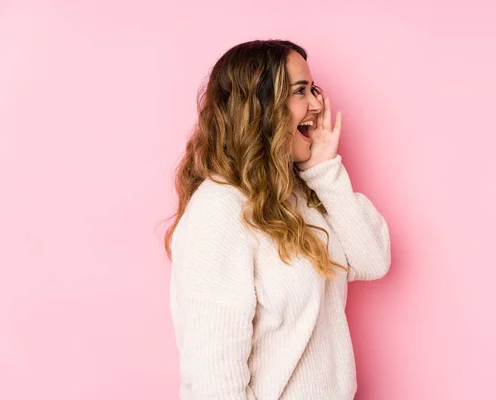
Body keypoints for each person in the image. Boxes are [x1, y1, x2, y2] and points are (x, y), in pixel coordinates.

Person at [163, 39, 391, 400]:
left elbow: (373, 260)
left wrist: (325, 172)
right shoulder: (219, 209)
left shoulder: (301, 191)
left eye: (314, 88)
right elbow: (214, 381)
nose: (318, 103)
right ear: (259, 107)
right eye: (301, 91)